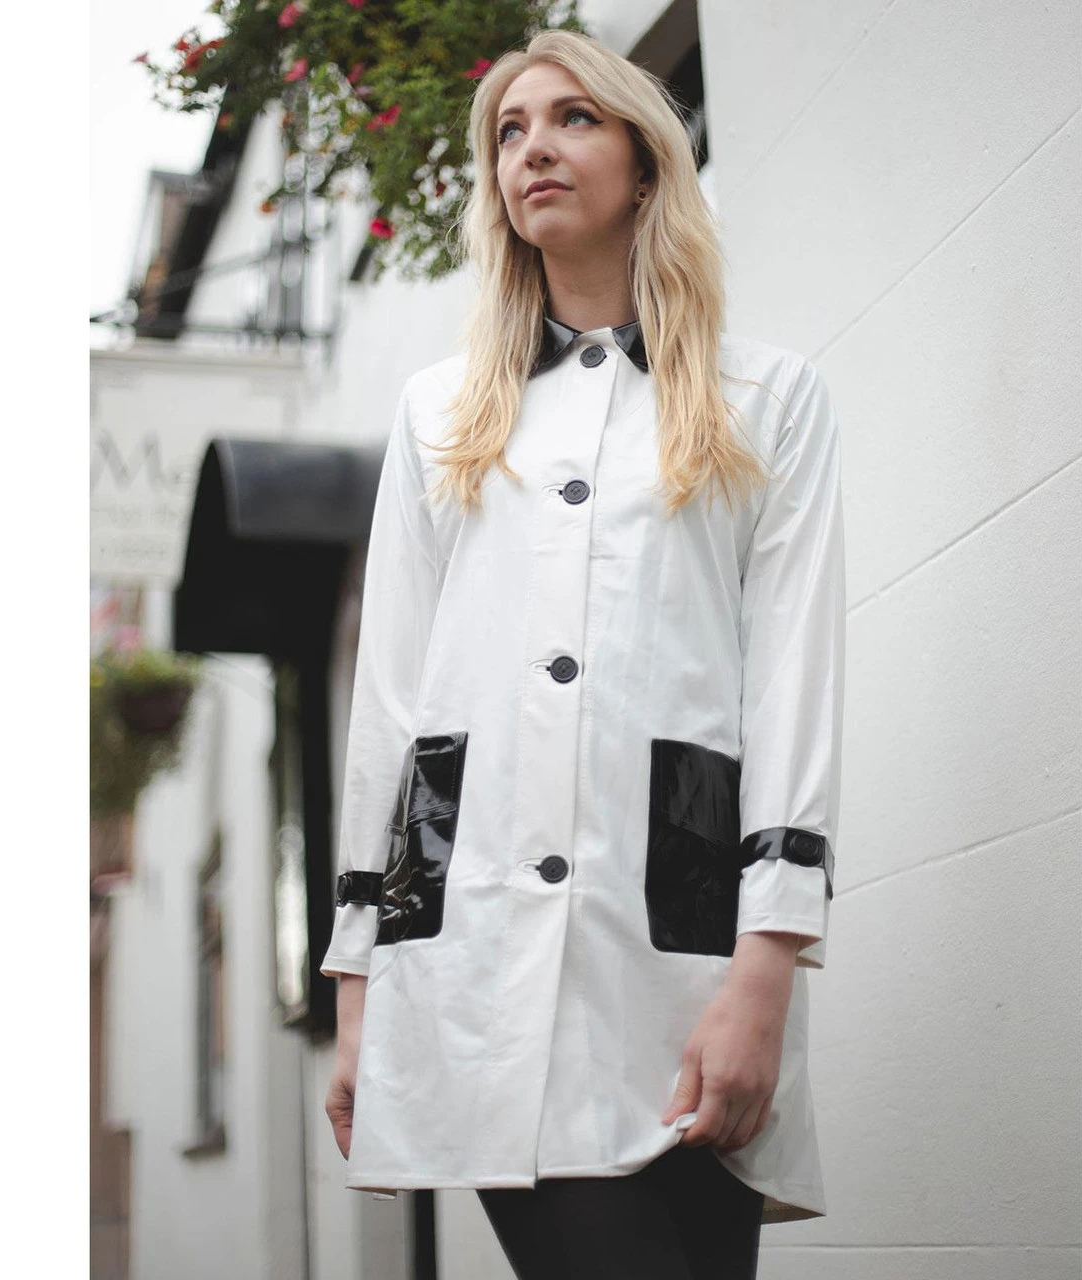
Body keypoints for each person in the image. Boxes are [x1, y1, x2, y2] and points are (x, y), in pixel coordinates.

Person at [322, 27, 847, 1280]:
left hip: (685, 958)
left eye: (571, 119)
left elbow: (791, 687)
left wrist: (765, 972)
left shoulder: (766, 400)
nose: (532, 149)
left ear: (646, 160)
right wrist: (356, 985)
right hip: (477, 965)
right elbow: (391, 703)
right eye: (508, 131)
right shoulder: (439, 413)